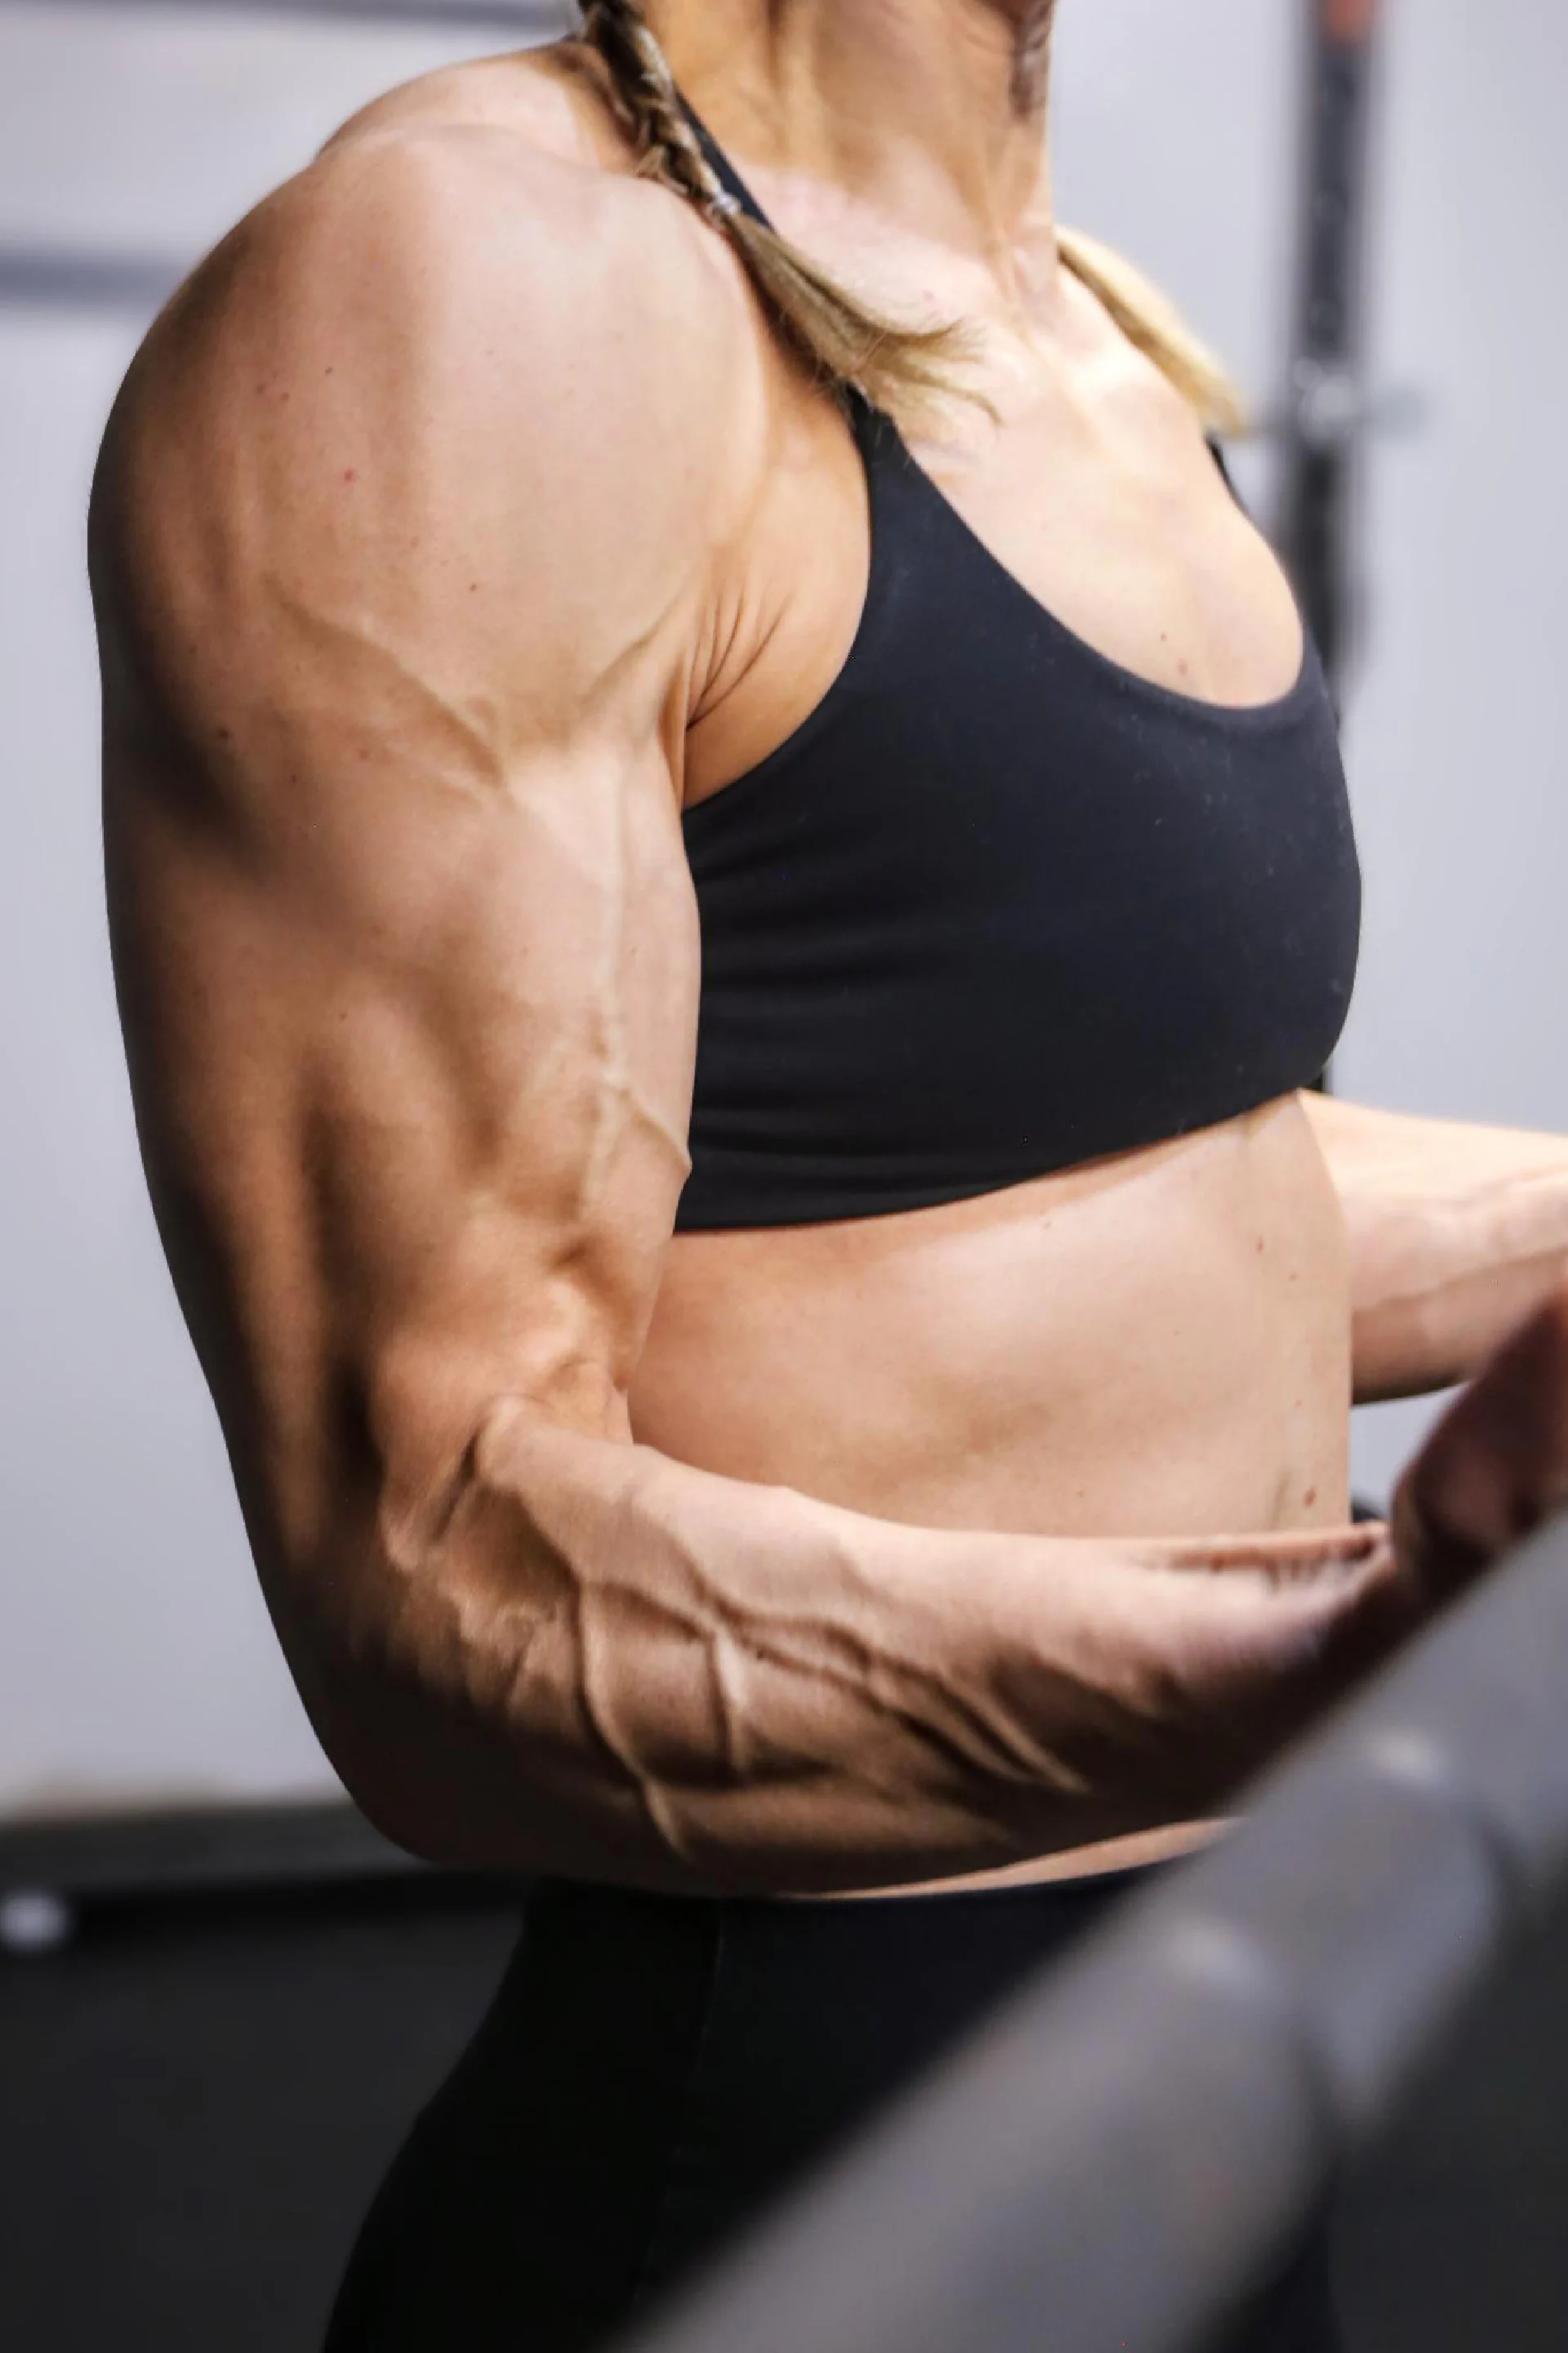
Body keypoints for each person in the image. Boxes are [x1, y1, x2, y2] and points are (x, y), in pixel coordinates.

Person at [88, 3, 1568, 2347]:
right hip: (800, 2119)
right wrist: (1349, 1650)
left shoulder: (1072, 319)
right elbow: (441, 1566)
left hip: (1218, 2027)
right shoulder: (487, 289)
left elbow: (1138, 1195)